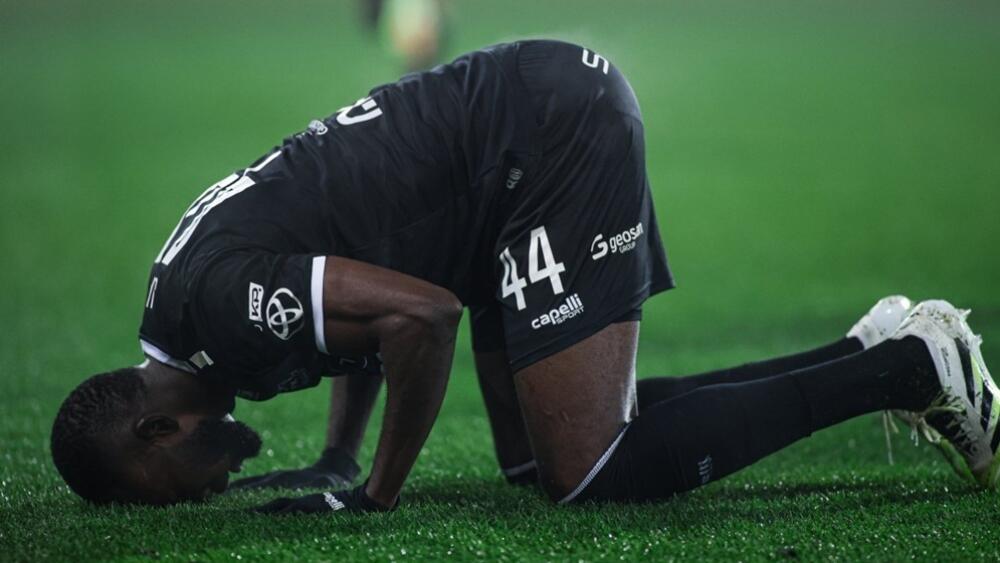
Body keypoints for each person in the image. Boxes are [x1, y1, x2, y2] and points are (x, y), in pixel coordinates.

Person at [50, 39, 1000, 513]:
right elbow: (345, 300)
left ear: (157, 426)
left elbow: (421, 317)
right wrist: (337, 455)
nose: (192, 497)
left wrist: (375, 492)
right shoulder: (189, 320)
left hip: (542, 141)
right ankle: (869, 347)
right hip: (505, 163)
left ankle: (912, 367)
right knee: (534, 463)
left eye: (159, 486)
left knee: (588, 469)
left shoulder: (215, 311)